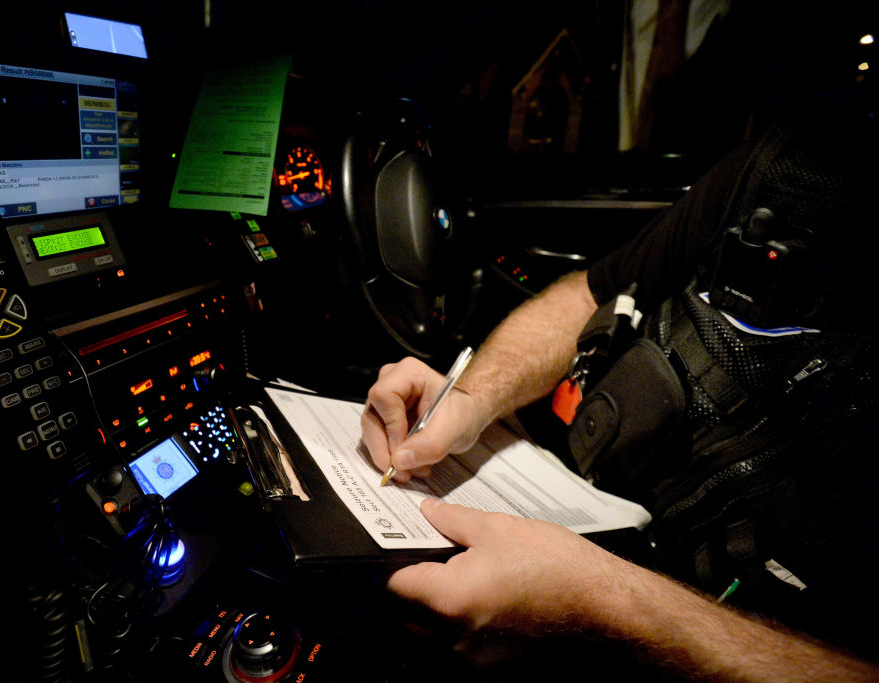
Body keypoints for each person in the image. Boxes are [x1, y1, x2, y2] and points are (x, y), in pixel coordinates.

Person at [360, 113, 879, 679]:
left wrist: (603, 605)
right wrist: (470, 399)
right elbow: (591, 293)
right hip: (601, 512)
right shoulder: (792, 170)